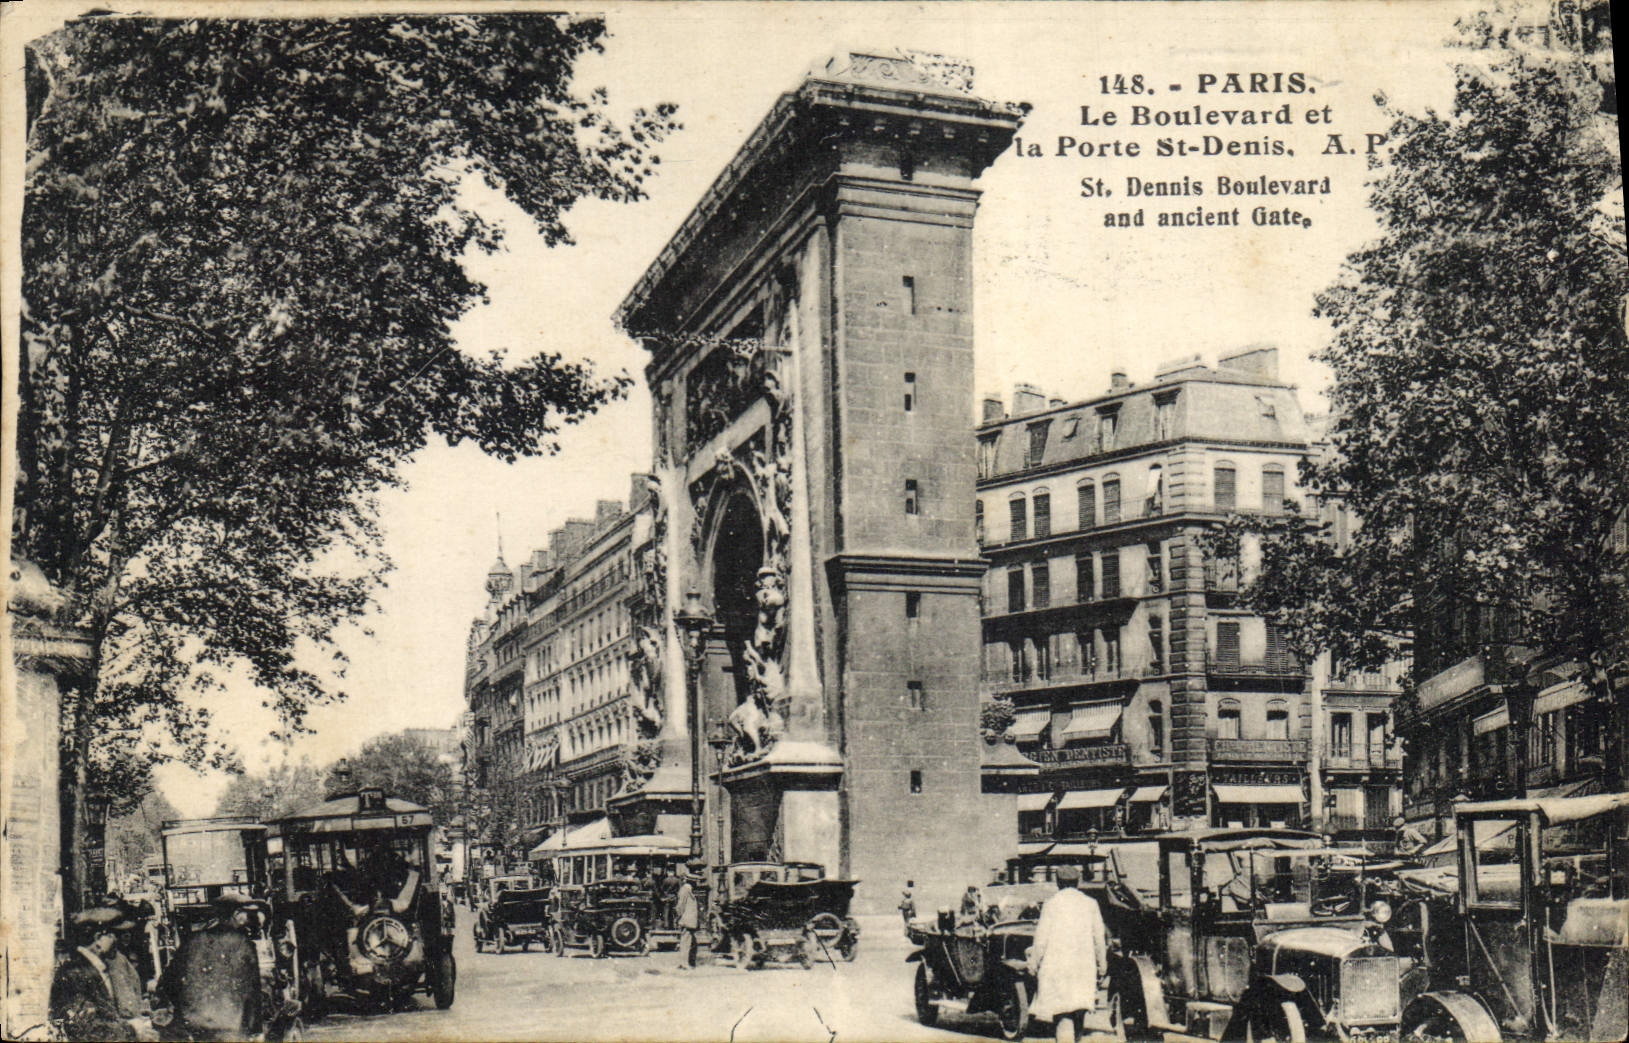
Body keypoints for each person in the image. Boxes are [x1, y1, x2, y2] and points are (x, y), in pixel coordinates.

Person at [157, 894, 270, 1042]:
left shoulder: (192, 940)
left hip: (194, 1029)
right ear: (236, 915)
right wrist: (256, 1031)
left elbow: (168, 983)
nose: (250, 919)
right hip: (231, 1031)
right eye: (248, 914)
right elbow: (252, 993)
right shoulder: (245, 945)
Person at [1026, 864, 1109, 1043]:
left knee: (1063, 1015)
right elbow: (1099, 939)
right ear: (1078, 881)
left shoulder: (1051, 904)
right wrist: (1102, 966)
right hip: (1083, 970)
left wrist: (1033, 964)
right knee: (1079, 1013)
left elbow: (1041, 940)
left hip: (1058, 970)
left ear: (1058, 882)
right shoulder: (1091, 904)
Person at [51, 906, 152, 1042]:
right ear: (98, 939)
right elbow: (85, 1026)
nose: (117, 940)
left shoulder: (93, 969)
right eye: (112, 935)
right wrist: (132, 1030)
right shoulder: (75, 973)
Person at [674, 863, 701, 970]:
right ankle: (684, 964)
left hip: (689, 921)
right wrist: (679, 917)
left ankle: (689, 962)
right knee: (686, 942)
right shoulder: (685, 890)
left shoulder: (688, 890)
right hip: (686, 920)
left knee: (690, 942)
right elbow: (680, 906)